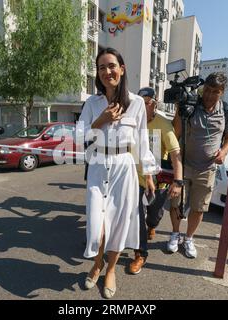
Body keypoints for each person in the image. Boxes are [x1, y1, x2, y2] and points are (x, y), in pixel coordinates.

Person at [78, 48, 158, 299]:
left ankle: (109, 269)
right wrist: (100, 119)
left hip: (124, 167)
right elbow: (79, 138)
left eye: (111, 65)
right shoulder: (92, 103)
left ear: (122, 69)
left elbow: (142, 141)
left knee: (119, 225)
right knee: (97, 226)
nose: (107, 71)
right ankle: (96, 263)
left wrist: (149, 174)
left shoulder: (136, 104)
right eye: (101, 67)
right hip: (99, 164)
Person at [169, 72, 228, 258]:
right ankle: (175, 233)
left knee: (199, 208)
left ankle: (188, 238)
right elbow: (177, 133)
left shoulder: (227, 110)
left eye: (214, 91)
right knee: (176, 203)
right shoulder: (191, 105)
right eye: (206, 89)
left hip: (207, 169)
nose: (208, 95)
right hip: (185, 165)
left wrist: (224, 151)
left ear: (221, 92)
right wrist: (178, 110)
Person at [128, 87, 183, 275]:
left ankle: (152, 225)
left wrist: (178, 181)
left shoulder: (163, 124)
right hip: (136, 180)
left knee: (154, 216)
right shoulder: (132, 124)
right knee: (137, 217)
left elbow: (176, 155)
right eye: (139, 103)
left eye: (147, 103)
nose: (143, 108)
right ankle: (140, 254)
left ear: (155, 104)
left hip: (158, 183)